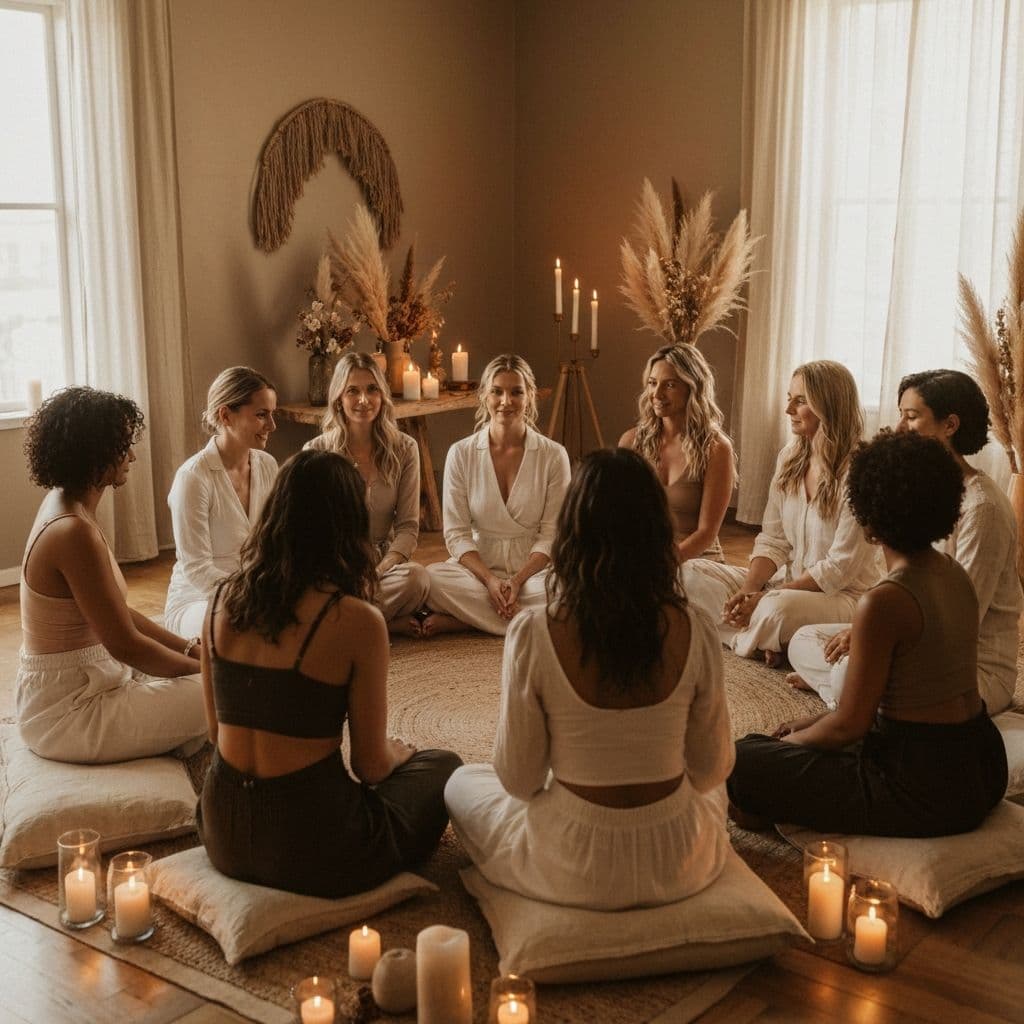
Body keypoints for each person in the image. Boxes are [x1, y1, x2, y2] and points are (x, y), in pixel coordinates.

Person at [444, 449, 734, 909]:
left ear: (572, 532)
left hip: (572, 862)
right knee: (712, 794)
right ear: (659, 533)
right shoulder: (696, 626)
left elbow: (520, 781)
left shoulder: (534, 632)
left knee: (460, 783)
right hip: (677, 857)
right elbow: (711, 769)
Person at [197, 450, 461, 898]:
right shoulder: (355, 621)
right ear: (348, 525)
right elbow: (370, 766)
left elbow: (213, 732)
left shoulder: (219, 601)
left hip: (222, 831)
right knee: (444, 766)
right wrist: (401, 755)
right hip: (312, 850)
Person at [728, 431, 1008, 837]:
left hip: (922, 786)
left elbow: (849, 728)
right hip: (984, 764)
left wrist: (785, 750)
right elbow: (907, 697)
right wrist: (812, 722)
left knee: (743, 757)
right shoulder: (955, 576)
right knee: (788, 740)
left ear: (868, 520)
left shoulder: (885, 601)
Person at [788, 370, 1022, 714]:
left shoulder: (982, 508)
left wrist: (873, 643)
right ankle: (850, 693)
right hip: (916, 639)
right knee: (804, 640)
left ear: (950, 425)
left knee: (852, 671)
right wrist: (864, 632)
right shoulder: (923, 490)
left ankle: (848, 698)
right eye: (900, 415)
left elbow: (961, 618)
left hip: (968, 669)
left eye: (910, 417)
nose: (899, 428)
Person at [17, 387, 206, 763]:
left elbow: (116, 613)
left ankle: (187, 730)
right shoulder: (72, 530)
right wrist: (209, 673)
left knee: (195, 657)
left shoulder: (71, 505)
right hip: (69, 713)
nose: (132, 455)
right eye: (123, 445)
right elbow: (127, 646)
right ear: (94, 454)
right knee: (226, 693)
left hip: (89, 679)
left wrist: (191, 650)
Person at [686, 360, 880, 664]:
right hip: (785, 586)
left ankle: (746, 638)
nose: (788, 409)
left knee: (777, 610)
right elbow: (772, 539)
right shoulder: (789, 457)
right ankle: (765, 641)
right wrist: (750, 591)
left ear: (828, 404)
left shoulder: (861, 470)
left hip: (841, 598)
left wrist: (765, 599)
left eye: (800, 401)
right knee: (690, 574)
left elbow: (839, 569)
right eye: (789, 398)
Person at [423, 354, 571, 636]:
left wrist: (516, 581)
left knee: (569, 588)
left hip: (533, 572)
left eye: (516, 392)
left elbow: (553, 534)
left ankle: (467, 620)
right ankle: (521, 620)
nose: (506, 401)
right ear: (484, 396)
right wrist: (491, 581)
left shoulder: (553, 455)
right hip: (479, 571)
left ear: (530, 397)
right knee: (431, 579)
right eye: (497, 391)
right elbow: (456, 535)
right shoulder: (461, 453)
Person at [304, 352, 428, 635]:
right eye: (353, 391)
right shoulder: (315, 452)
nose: (364, 399)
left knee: (418, 579)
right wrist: (348, 573)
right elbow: (311, 533)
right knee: (309, 592)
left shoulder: (405, 449)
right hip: (333, 566)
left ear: (383, 395)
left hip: (381, 568)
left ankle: (344, 624)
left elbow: (408, 528)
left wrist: (377, 572)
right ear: (338, 398)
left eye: (372, 389)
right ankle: (382, 624)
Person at [164, 367, 279, 639]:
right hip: (201, 601)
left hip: (257, 593)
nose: (272, 426)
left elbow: (276, 543)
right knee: (242, 628)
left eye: (272, 414)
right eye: (262, 415)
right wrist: (251, 598)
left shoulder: (267, 465)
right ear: (225, 415)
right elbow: (196, 567)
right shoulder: (193, 477)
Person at [618, 343, 736, 569]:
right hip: (642, 559)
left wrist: (660, 566)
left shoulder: (716, 449)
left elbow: (706, 533)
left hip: (696, 560)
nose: (657, 394)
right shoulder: (631, 443)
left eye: (670, 385)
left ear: (693, 388)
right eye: (653, 383)